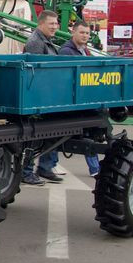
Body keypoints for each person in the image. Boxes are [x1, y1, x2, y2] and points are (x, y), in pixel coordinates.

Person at [22, 10, 62, 185]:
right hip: (38, 100)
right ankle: (27, 171)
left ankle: (44, 168)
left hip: (47, 98)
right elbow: (35, 74)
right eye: (51, 23)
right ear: (41, 24)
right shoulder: (35, 43)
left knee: (49, 134)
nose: (55, 27)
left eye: (56, 23)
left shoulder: (46, 41)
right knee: (33, 137)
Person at [59, 20, 101, 176]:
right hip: (73, 101)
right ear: (73, 32)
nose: (85, 36)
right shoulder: (66, 52)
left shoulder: (85, 51)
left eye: (87, 33)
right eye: (82, 32)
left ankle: (47, 166)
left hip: (85, 98)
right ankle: (95, 168)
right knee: (84, 135)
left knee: (89, 132)